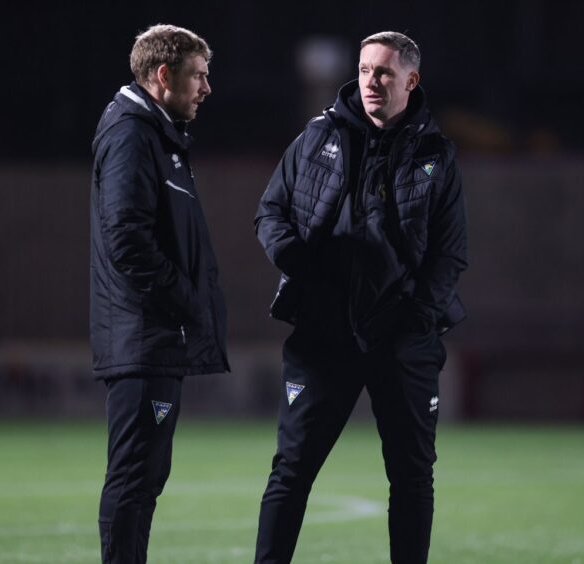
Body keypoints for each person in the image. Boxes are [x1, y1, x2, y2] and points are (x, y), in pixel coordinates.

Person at [253, 31, 467, 563]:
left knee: (413, 476)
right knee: (292, 470)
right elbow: (270, 213)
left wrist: (418, 317)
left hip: (403, 340)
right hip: (325, 335)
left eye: (385, 72)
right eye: (366, 69)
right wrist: (301, 268)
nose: (371, 81)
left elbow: (451, 253)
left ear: (411, 81)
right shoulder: (317, 136)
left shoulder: (436, 154)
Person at [89, 24, 228, 564]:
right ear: (163, 75)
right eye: (198, 75)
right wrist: (187, 302)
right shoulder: (131, 133)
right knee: (133, 477)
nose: (206, 88)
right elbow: (127, 239)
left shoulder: (154, 132)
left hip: (153, 335)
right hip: (142, 335)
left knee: (145, 477)